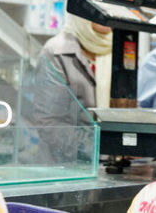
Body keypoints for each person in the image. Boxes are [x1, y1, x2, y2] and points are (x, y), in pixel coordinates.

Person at [26, 13, 112, 163]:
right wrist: (102, 150)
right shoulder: (57, 51)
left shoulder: (123, 49)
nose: (105, 14)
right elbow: (49, 122)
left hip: (111, 164)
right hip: (65, 168)